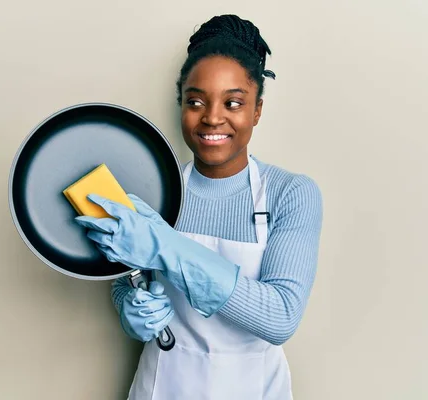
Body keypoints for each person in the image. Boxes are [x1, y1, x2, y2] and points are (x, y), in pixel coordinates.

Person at [74, 14, 323, 400]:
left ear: (257, 110)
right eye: (195, 101)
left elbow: (280, 317)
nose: (212, 117)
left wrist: (164, 244)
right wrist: (131, 308)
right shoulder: (156, 188)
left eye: (234, 102)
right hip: (163, 384)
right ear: (181, 106)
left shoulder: (290, 193)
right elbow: (126, 276)